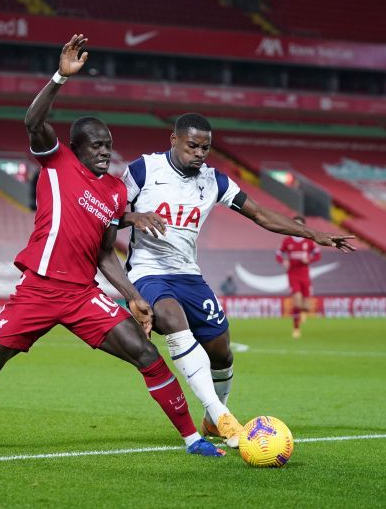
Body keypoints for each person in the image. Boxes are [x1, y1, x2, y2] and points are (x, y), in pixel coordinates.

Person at [0, 35, 224, 457]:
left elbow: (104, 254)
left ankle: (193, 439)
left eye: (109, 145)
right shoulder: (56, 161)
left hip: (82, 295)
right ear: (77, 146)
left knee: (146, 355)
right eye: (98, 145)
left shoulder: (116, 192)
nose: (106, 152)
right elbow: (34, 121)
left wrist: (134, 297)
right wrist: (61, 76)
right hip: (39, 290)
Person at [121, 113, 356, 447]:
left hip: (189, 275)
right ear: (173, 140)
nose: (200, 153)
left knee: (222, 351)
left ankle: (215, 420)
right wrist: (133, 216)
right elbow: (107, 213)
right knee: (173, 320)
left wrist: (313, 234)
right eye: (192, 146)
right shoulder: (143, 170)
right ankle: (221, 416)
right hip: (148, 270)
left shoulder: (214, 180)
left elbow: (259, 213)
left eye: (206, 147)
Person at [276, 216, 320, 339]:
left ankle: (303, 313)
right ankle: (296, 329)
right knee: (297, 301)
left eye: (299, 224)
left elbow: (317, 254)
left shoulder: (308, 241)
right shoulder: (287, 241)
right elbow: (278, 253)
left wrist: (309, 259)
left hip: (305, 274)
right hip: (293, 274)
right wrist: (283, 261)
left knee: (306, 306)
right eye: (294, 224)